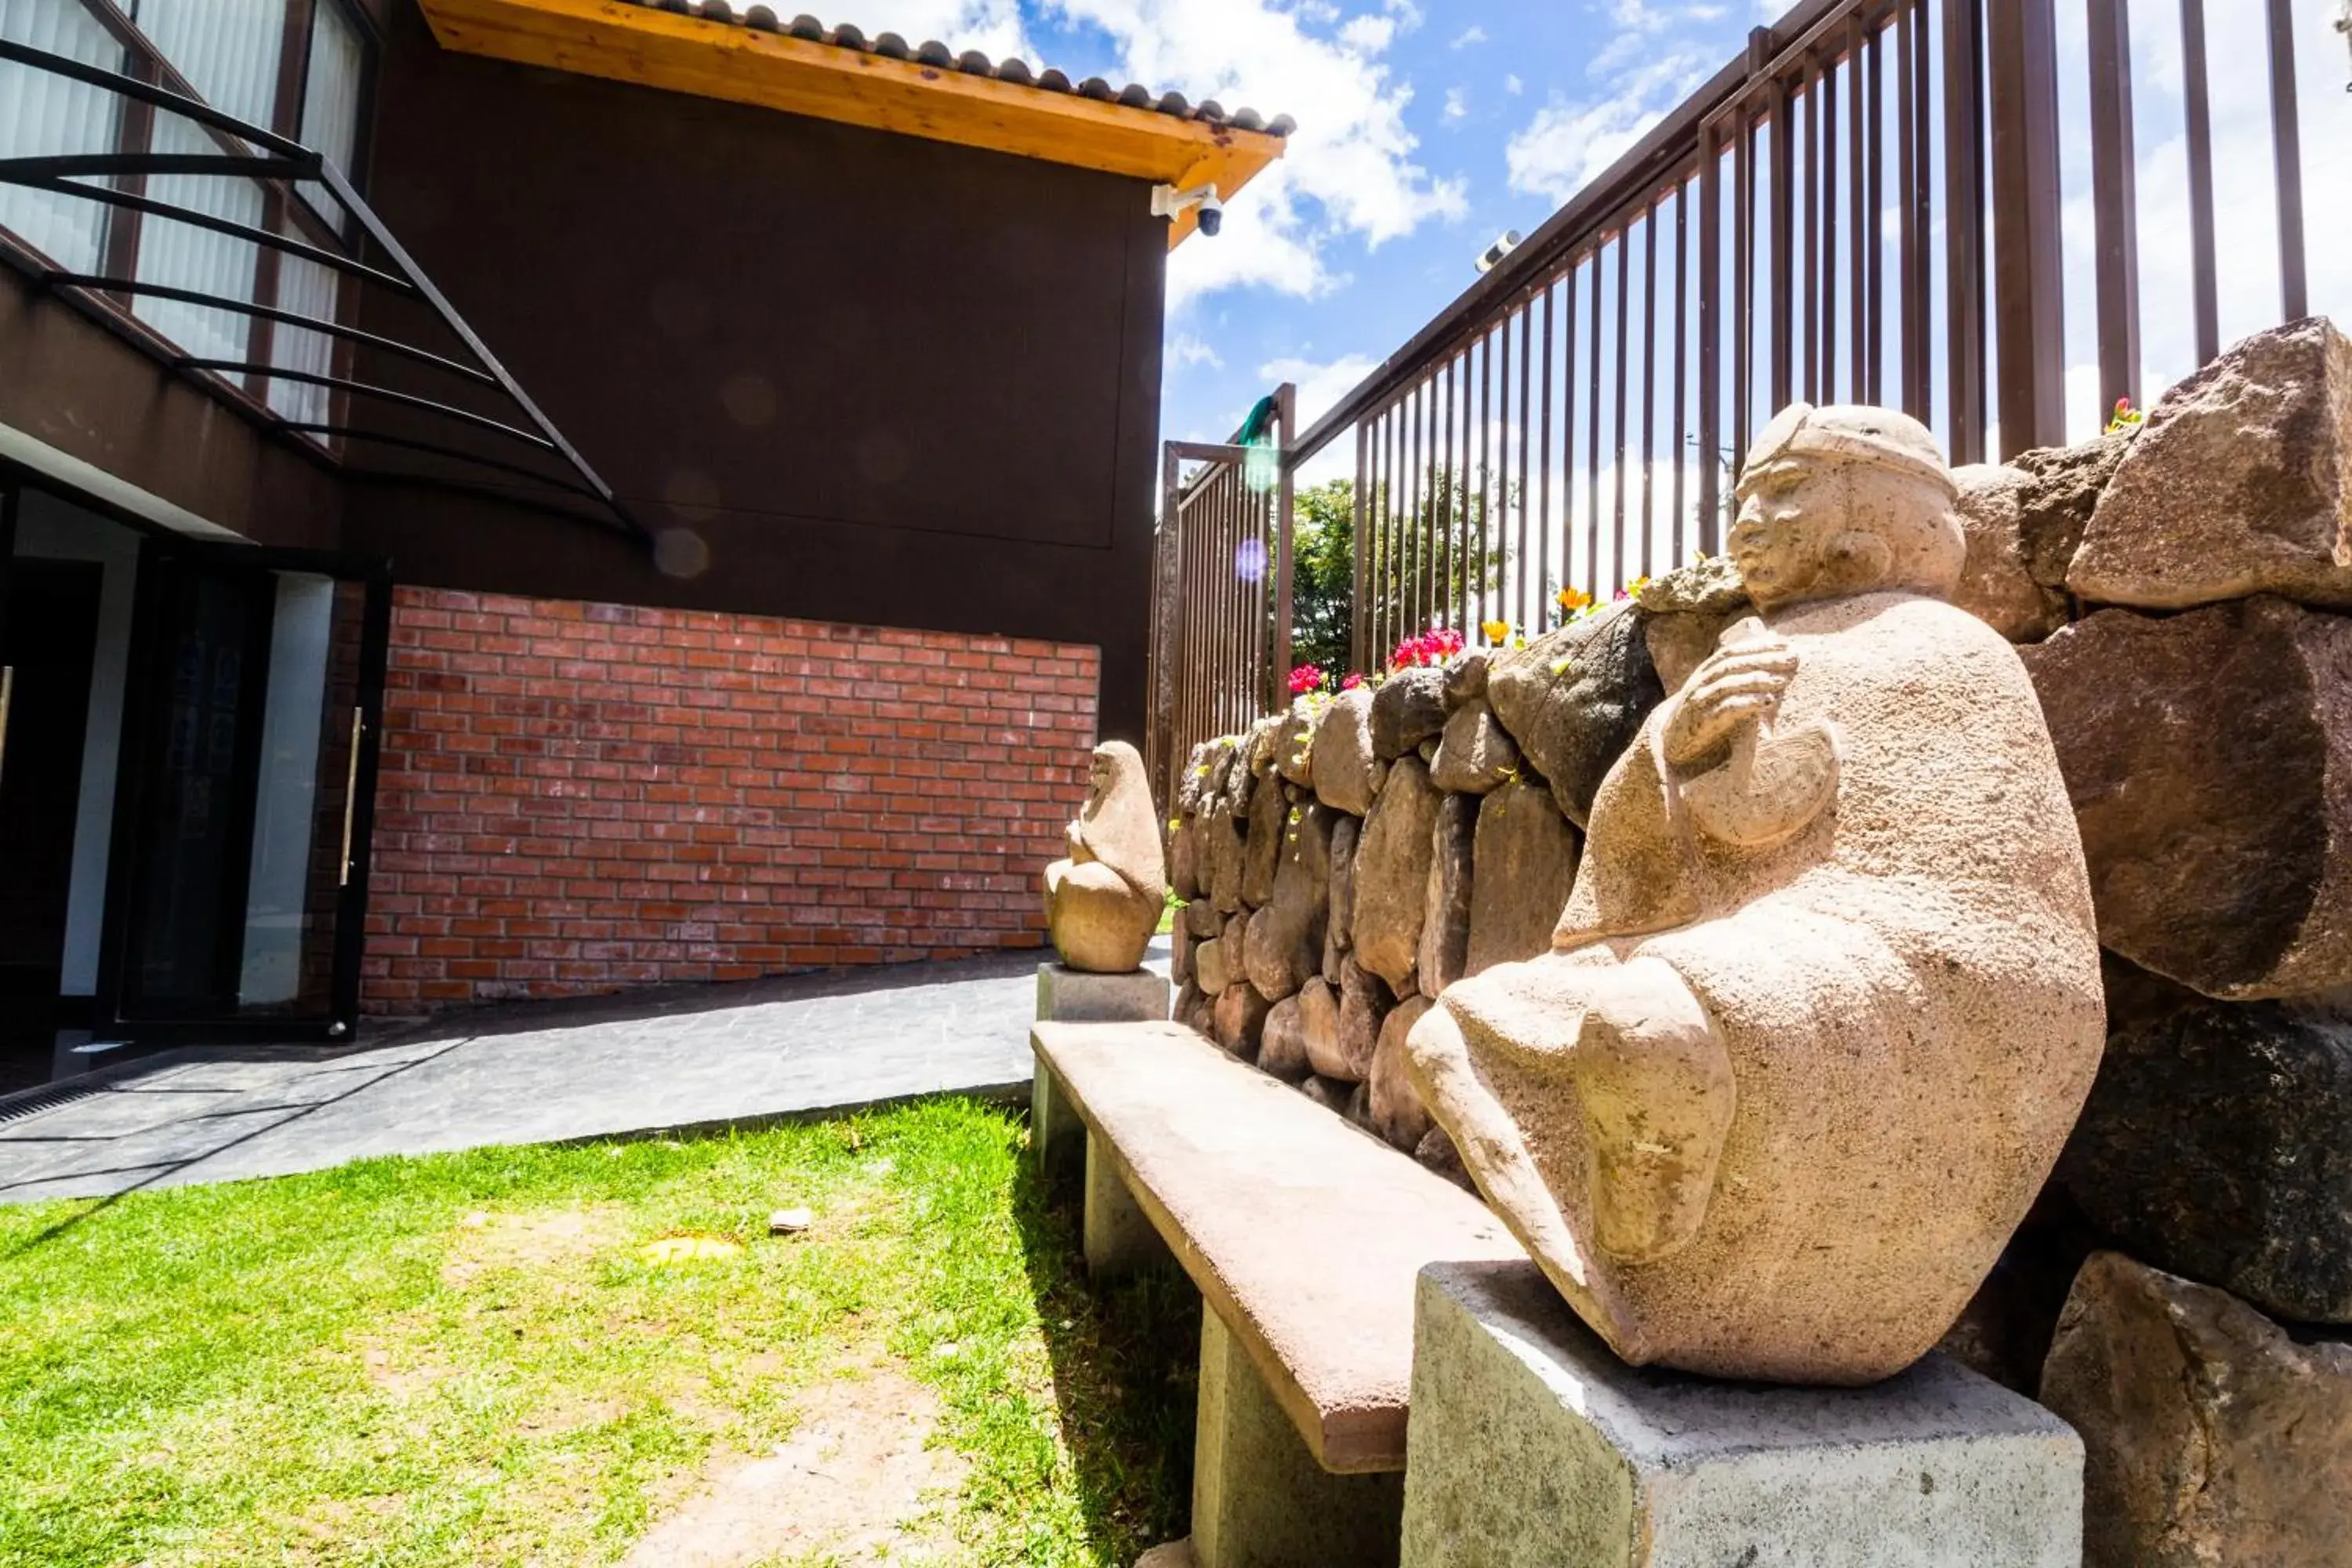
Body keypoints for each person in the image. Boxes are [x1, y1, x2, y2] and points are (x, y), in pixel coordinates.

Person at [1406, 404, 2105, 1384]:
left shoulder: (1948, 652)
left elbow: (1986, 896)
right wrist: (1675, 753)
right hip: (1754, 946)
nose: (1746, 522)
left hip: (1908, 957)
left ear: (1874, 514)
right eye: (1743, 498)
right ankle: (1634, 1268)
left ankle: (1675, 1236)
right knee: (1453, 1034)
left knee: (1647, 1020)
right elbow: (1630, 877)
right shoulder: (1736, 655)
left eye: (1783, 494)